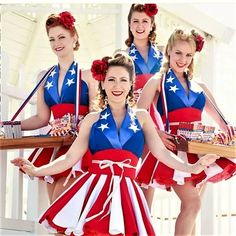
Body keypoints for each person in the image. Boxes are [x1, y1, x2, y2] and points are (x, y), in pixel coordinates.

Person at [11, 52, 219, 235]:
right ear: (102, 83)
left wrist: (192, 167)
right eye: (111, 79)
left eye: (122, 80)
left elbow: (162, 154)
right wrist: (37, 170)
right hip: (94, 191)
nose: (117, 86)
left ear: (131, 84)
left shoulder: (142, 117)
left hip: (127, 194)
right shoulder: (91, 120)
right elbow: (69, 157)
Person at [136, 28, 236, 235]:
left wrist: (227, 130)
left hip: (200, 149)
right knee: (193, 204)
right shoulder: (157, 82)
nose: (183, 60)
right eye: (179, 53)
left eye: (189, 55)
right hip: (174, 149)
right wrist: (155, 132)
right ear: (169, 52)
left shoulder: (199, 85)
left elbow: (221, 119)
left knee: (192, 208)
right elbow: (136, 114)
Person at [19, 11, 97, 203]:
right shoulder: (44, 77)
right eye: (52, 39)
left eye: (61, 37)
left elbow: (96, 114)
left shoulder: (87, 75)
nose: (57, 43)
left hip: (79, 145)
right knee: (54, 211)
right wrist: (9, 124)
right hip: (55, 147)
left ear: (74, 37)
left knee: (63, 206)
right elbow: (41, 118)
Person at [125, 3, 166, 208]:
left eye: (145, 21)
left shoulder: (163, 56)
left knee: (148, 173)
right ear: (129, 25)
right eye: (136, 21)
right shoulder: (122, 56)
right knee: (130, 169)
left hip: (156, 118)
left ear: (151, 25)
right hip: (130, 116)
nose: (140, 26)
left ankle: (145, 220)